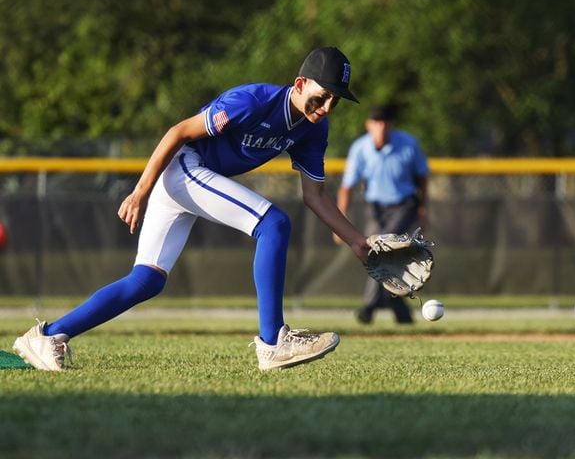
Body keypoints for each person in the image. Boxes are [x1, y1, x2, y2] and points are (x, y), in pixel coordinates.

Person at [13, 46, 371, 371]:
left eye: (334, 102)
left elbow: (316, 197)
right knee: (273, 224)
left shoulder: (312, 130)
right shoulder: (252, 101)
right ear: (299, 83)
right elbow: (178, 132)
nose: (326, 108)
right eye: (322, 97)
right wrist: (140, 191)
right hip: (184, 168)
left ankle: (48, 335)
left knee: (146, 280)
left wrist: (357, 241)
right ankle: (274, 341)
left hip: (196, 180)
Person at [334, 105, 429, 324]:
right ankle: (398, 305)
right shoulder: (360, 148)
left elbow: (422, 178)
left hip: (404, 206)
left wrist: (424, 209)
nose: (381, 127)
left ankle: (369, 306)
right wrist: (338, 223)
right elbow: (346, 187)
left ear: (392, 125)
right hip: (374, 208)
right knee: (376, 255)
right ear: (368, 125)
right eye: (376, 122)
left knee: (382, 250)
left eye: (385, 122)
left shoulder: (408, 143)